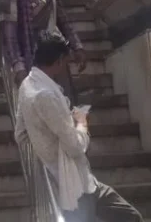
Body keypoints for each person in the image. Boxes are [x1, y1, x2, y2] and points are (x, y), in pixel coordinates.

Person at [16, 33, 143, 220]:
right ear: (59, 61)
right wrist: (82, 122)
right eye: (66, 62)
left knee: (130, 217)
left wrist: (46, 141)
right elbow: (75, 147)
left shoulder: (27, 85)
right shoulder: (45, 95)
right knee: (131, 218)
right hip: (73, 186)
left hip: (80, 180)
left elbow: (21, 134)